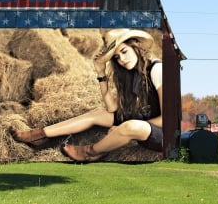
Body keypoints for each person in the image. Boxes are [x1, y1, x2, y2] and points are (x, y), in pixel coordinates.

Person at [9, 28, 163, 162]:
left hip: (163, 134)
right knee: (97, 114)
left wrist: (123, 128)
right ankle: (39, 134)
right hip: (145, 123)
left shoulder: (157, 70)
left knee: (131, 125)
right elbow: (111, 107)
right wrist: (101, 72)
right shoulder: (132, 73)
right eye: (116, 57)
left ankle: (91, 152)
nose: (122, 59)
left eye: (124, 51)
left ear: (136, 47)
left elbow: (167, 119)